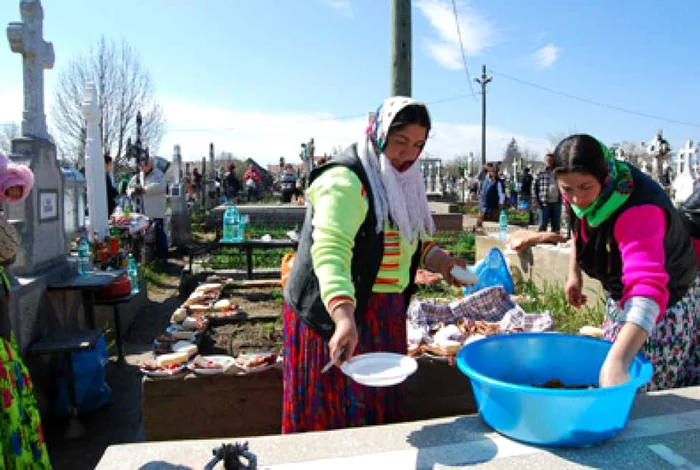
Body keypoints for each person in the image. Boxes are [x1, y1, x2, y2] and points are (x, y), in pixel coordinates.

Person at [282, 97, 472, 433]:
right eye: (400, 142)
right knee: (335, 405)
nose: (409, 154)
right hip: (333, 308)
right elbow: (331, 251)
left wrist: (441, 261)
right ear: (379, 134)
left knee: (373, 404)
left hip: (382, 309)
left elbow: (409, 235)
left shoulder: (404, 179)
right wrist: (343, 317)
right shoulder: (345, 180)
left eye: (418, 145)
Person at [553, 134, 699, 390]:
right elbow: (579, 225)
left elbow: (647, 287)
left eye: (585, 187)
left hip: (663, 304)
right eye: (567, 189)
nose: (576, 199)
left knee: (646, 394)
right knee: (612, 374)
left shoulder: (638, 209)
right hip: (621, 295)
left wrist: (619, 361)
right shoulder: (580, 193)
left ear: (604, 175)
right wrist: (573, 274)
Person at [127, 157, 168, 259]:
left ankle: (162, 259)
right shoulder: (138, 176)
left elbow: (161, 186)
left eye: (144, 164)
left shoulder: (159, 174)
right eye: (141, 165)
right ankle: (145, 258)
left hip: (155, 211)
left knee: (159, 235)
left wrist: (144, 189)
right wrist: (132, 192)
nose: (142, 167)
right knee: (142, 238)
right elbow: (129, 187)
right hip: (141, 212)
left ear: (151, 165)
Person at [535, 153, 562, 232]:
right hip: (544, 202)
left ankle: (555, 241)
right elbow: (534, 187)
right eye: (547, 160)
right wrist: (535, 201)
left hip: (556, 202)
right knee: (542, 225)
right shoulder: (540, 173)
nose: (549, 162)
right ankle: (541, 241)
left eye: (550, 160)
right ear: (545, 161)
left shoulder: (558, 173)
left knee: (556, 225)